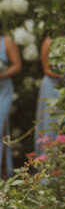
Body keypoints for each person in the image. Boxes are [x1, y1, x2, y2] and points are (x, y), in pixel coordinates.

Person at [34, 35, 65, 152]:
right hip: (52, 86)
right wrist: (64, 75)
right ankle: (46, 158)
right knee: (50, 120)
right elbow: (46, 69)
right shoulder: (48, 41)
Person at [0, 27, 21, 178]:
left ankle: (5, 173)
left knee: (1, 128)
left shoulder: (6, 41)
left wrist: (2, 74)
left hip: (3, 91)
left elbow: (17, 65)